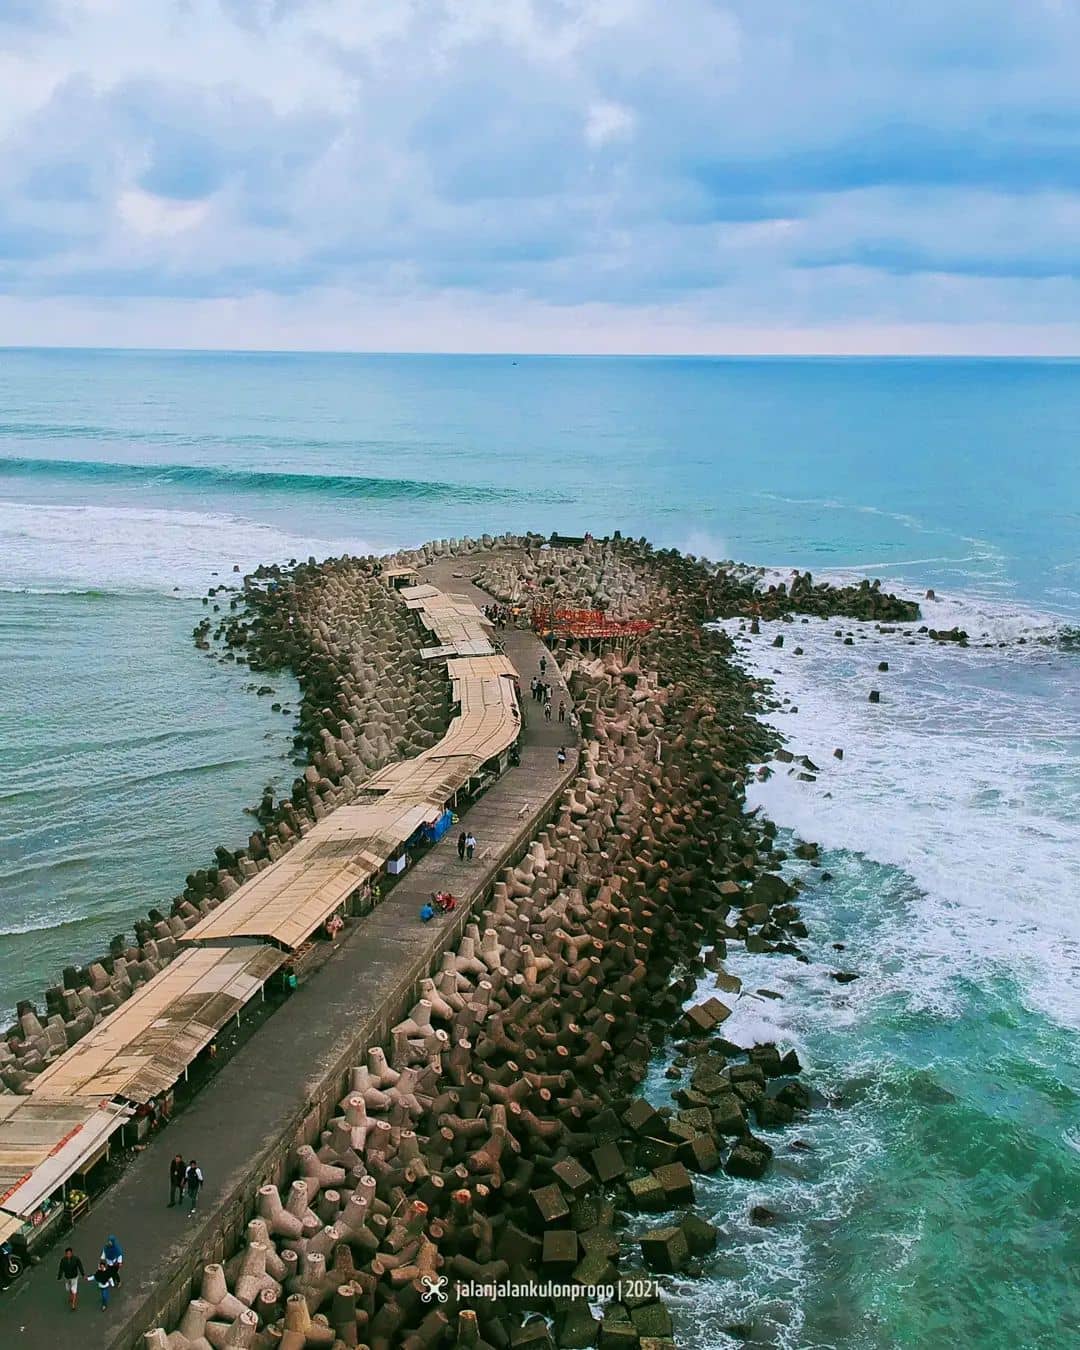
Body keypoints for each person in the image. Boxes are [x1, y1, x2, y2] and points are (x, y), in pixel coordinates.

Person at [57, 1247, 85, 1312]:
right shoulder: (63, 1260)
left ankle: (73, 1304)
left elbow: (80, 1267)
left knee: (74, 1290)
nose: (68, 1255)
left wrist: (83, 1274)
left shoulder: (76, 1259)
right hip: (67, 1277)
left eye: (69, 1253)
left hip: (74, 1277)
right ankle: (71, 1296)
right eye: (67, 1254)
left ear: (72, 1253)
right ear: (65, 1254)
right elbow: (61, 1268)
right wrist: (59, 1276)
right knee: (69, 1289)